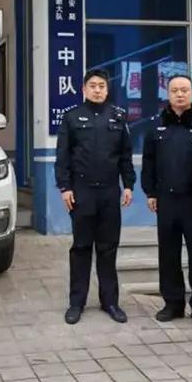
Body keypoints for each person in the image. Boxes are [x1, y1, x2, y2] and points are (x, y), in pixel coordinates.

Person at [55, 68, 135, 325]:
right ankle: (76, 303)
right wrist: (65, 187)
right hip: (82, 193)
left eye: (102, 85)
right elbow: (63, 156)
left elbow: (125, 155)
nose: (97, 90)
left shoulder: (118, 116)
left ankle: (110, 302)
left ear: (107, 89)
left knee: (108, 248)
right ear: (84, 89)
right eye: (93, 85)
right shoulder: (72, 117)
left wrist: (129, 185)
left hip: (110, 193)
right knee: (81, 248)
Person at [141, 75, 192, 330]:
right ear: (168, 94)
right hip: (166, 201)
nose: (180, 94)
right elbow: (149, 162)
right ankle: (173, 303)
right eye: (175, 90)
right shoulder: (157, 126)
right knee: (168, 254)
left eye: (184, 90)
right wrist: (150, 192)